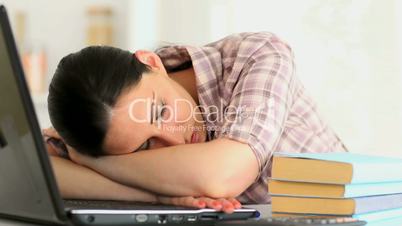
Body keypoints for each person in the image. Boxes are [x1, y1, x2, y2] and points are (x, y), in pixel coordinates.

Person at [43, 32, 347, 213]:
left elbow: (222, 176)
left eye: (160, 112)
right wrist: (158, 196)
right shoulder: (110, 128)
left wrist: (88, 161)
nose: (174, 142)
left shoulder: (257, 55)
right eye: (146, 146)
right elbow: (39, 175)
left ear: (152, 63)